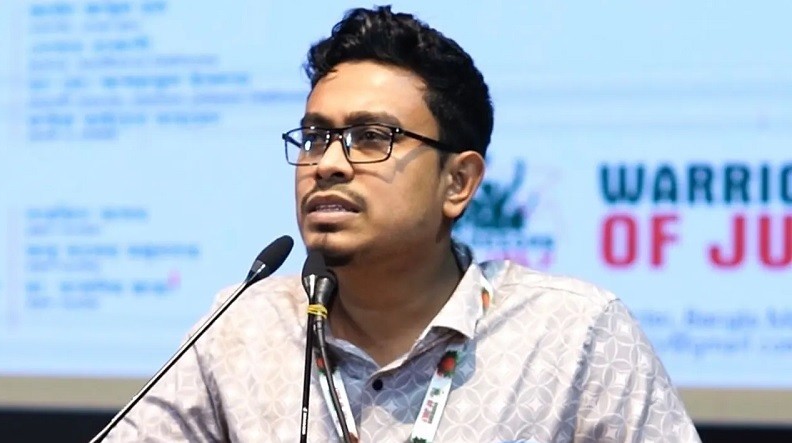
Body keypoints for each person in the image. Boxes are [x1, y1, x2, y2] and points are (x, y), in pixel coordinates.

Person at [105, 6, 701, 442]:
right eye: (315, 136)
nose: (328, 164)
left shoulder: (574, 335)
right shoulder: (243, 327)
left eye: (371, 137)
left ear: (458, 182)